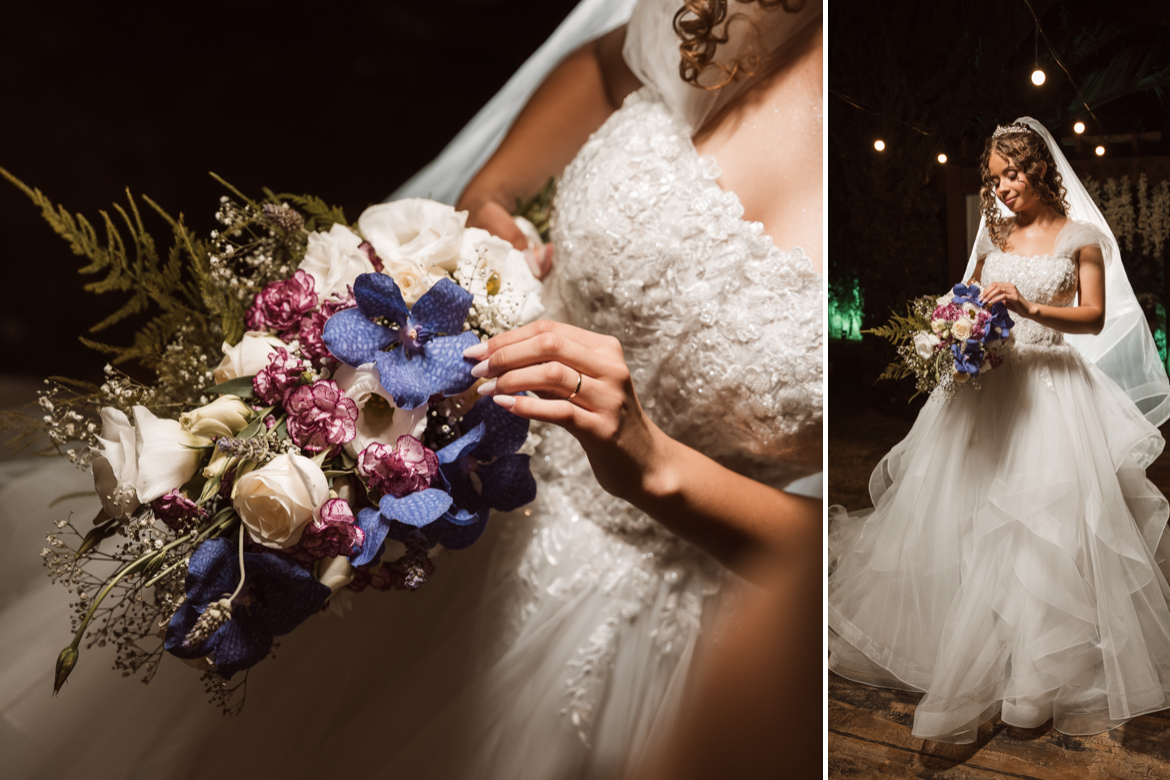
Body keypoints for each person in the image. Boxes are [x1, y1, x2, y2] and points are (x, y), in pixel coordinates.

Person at [0, 1, 823, 777]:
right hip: (443, 484)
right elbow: (612, 65)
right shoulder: (745, 15)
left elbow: (844, 550)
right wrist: (492, 194)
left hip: (645, 621)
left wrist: (654, 464)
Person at [828, 118, 1170, 744]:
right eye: (995, 178)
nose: (1005, 187)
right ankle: (978, 655)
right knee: (976, 517)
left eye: (1012, 173)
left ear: (1039, 168)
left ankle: (1038, 676)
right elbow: (975, 304)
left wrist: (1025, 306)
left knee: (1045, 529)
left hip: (1054, 394)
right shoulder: (993, 238)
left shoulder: (1083, 237)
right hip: (993, 389)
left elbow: (1093, 318)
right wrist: (957, 328)